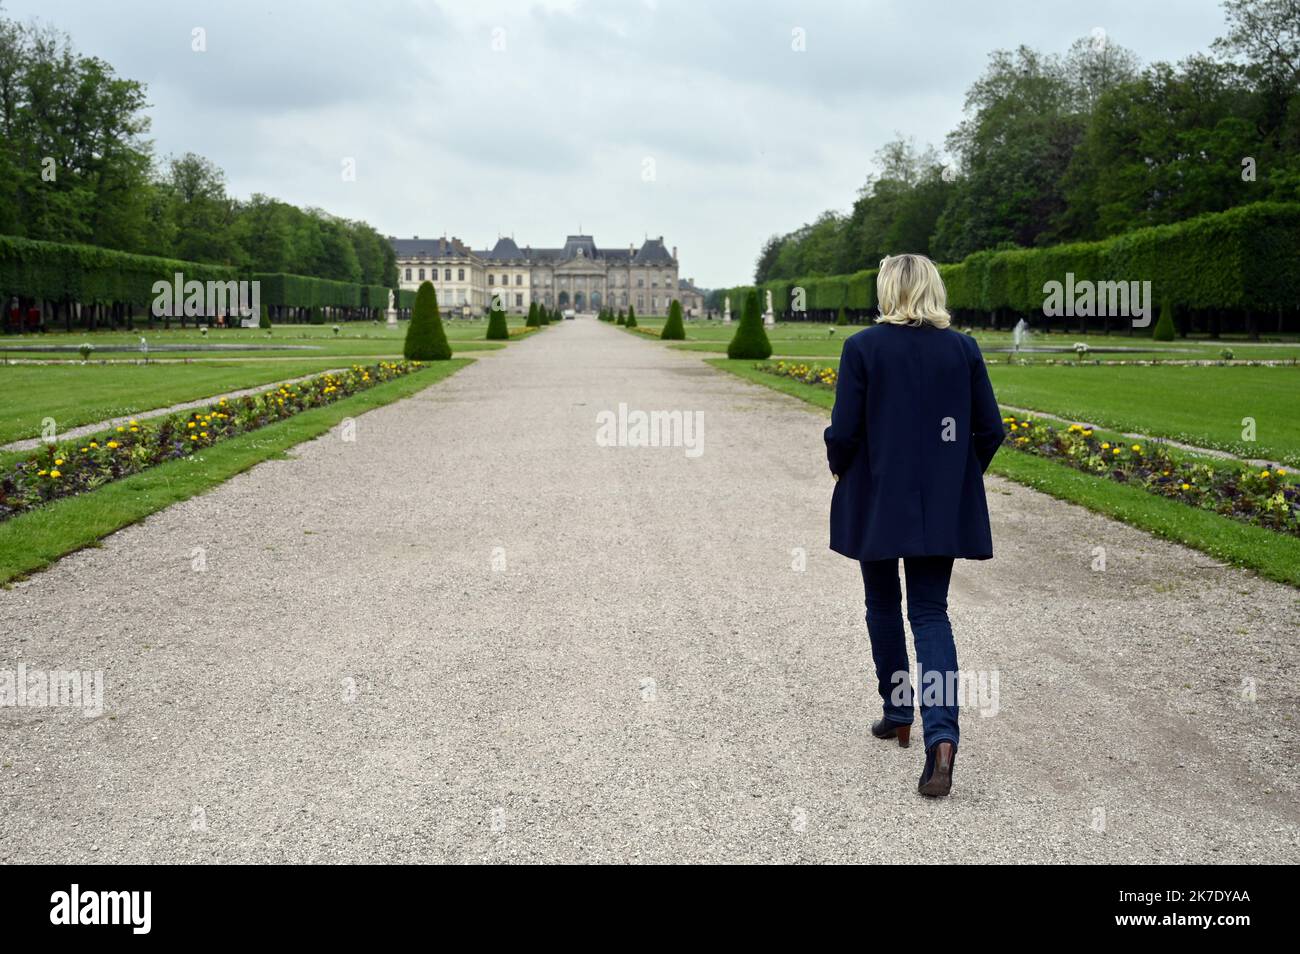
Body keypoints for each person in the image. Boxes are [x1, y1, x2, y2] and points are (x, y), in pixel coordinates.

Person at [824, 254, 1004, 797]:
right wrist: (955, 476)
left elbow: (844, 432)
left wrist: (840, 468)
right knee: (931, 613)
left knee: (882, 604)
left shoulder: (863, 347)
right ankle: (941, 739)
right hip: (939, 505)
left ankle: (899, 707)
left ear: (886, 292)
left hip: (877, 498)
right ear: (933, 289)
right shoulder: (963, 348)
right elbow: (990, 429)